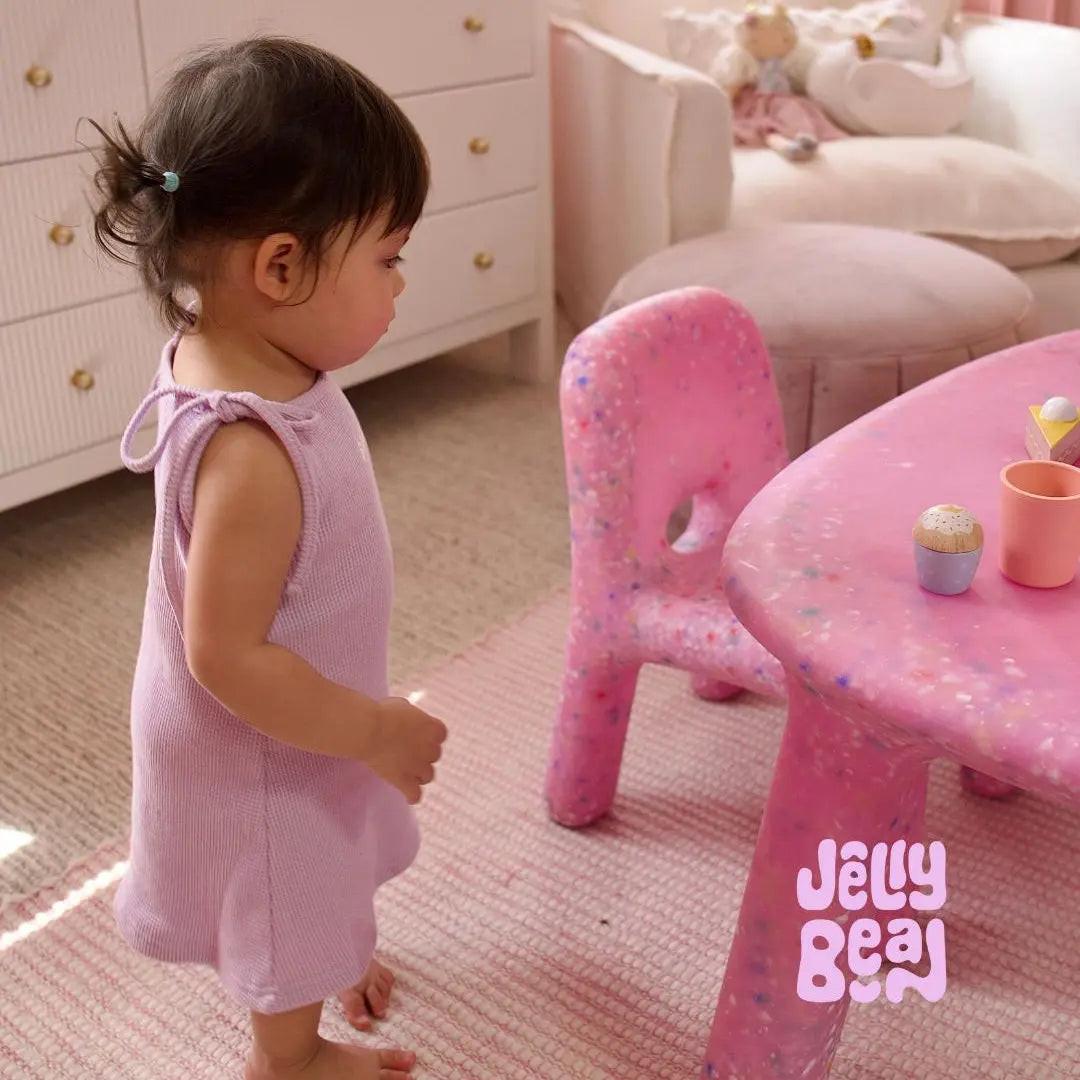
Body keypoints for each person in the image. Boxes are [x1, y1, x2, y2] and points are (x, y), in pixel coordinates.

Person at [89, 36, 448, 1079]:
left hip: (301, 705)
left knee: (322, 871)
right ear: (281, 266)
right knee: (286, 890)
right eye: (386, 256)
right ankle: (289, 1057)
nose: (400, 282)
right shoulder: (248, 453)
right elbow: (230, 658)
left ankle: (334, 951)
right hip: (260, 742)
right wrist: (373, 728)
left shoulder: (246, 353)